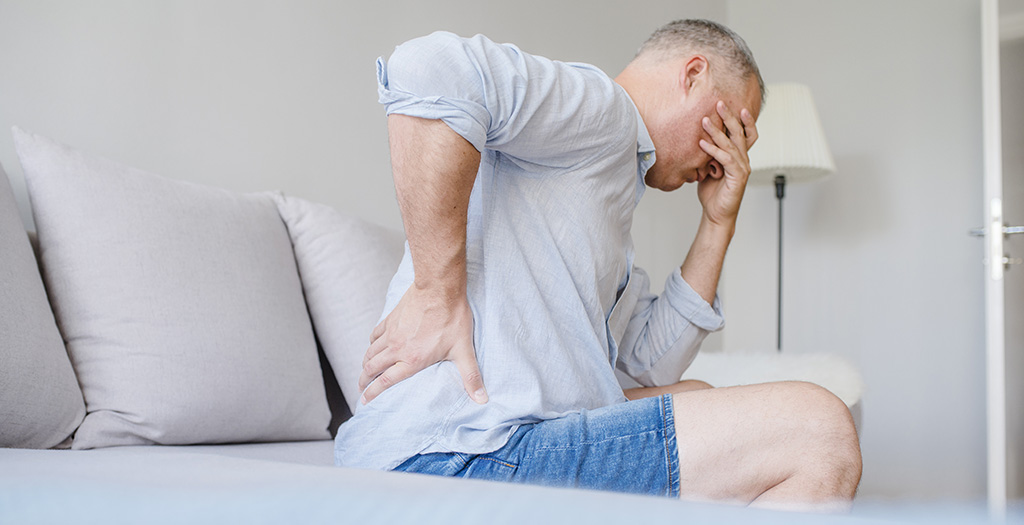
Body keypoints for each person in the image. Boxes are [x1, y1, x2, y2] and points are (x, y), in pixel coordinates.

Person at [335, 19, 862, 510]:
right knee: (822, 431)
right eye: (733, 126)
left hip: (470, 448)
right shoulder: (607, 112)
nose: (728, 155)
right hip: (459, 453)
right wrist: (434, 291)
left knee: (695, 396)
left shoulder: (606, 192)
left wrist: (718, 221)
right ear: (693, 75)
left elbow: (650, 365)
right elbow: (432, 66)